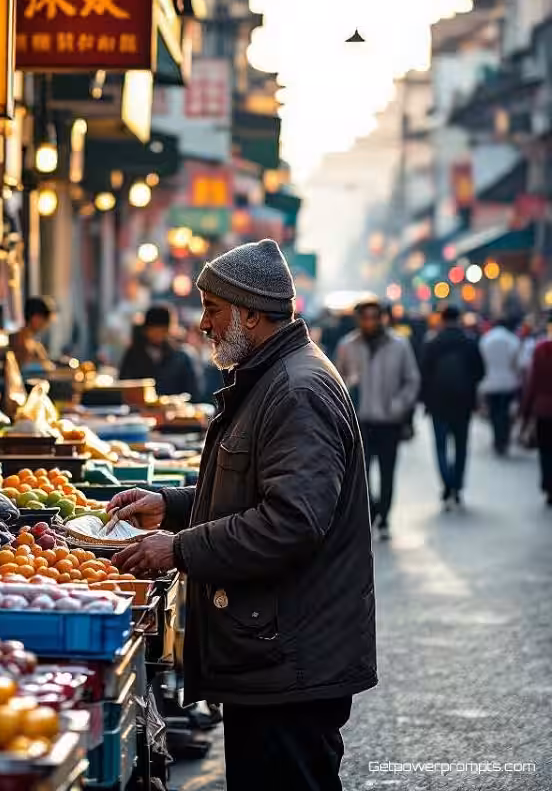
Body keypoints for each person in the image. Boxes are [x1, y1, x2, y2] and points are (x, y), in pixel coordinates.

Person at [108, 240, 376, 791]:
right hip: (273, 649)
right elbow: (250, 490)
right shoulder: (271, 378)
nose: (203, 324)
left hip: (291, 659)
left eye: (212, 308)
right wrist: (173, 506)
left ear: (250, 313)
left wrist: (178, 549)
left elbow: (291, 522)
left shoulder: (297, 390)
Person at [335, 299, 420, 539]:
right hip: (360, 421)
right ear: (359, 319)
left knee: (387, 471)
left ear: (383, 318)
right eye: (365, 317)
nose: (370, 322)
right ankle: (371, 511)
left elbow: (412, 380)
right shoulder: (347, 346)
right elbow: (336, 380)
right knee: (360, 474)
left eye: (375, 316)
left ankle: (385, 516)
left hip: (389, 422)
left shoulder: (399, 345)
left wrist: (399, 406)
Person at [419, 305, 485, 509]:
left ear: (442, 319)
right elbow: (480, 372)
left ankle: (447, 483)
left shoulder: (433, 343)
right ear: (459, 319)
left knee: (440, 447)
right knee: (461, 446)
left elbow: (424, 374)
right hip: (463, 403)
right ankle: (457, 485)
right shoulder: (469, 342)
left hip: (438, 404)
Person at [118, 305, 200, 399]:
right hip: (140, 410)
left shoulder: (181, 357)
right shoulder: (134, 354)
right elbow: (123, 385)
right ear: (146, 329)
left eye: (162, 331)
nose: (158, 335)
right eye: (154, 330)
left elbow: (192, 392)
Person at [521, 313, 552, 505]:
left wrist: (525, 411)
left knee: (546, 450)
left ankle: (548, 485)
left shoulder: (540, 349)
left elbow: (532, 383)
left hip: (543, 409)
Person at [479, 317, 522, 455]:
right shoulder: (512, 339)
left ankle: (497, 438)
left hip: (490, 381)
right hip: (508, 381)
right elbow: (516, 362)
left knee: (494, 412)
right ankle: (504, 438)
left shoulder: (486, 339)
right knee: (505, 412)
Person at [9, 296, 55, 371]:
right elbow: (23, 368)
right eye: (45, 320)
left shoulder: (34, 342)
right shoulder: (20, 340)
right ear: (35, 317)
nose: (46, 325)